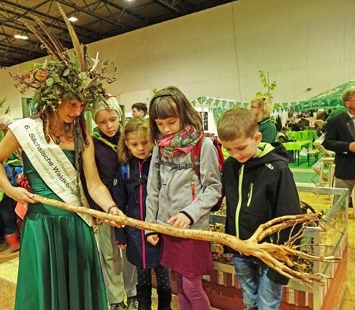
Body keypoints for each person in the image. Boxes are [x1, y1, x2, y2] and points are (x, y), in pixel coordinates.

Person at [0, 7, 123, 309]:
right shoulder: (24, 130)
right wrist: (10, 190)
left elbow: (94, 184)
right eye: (72, 105)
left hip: (76, 222)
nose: (78, 113)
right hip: (42, 224)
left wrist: (111, 207)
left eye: (81, 106)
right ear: (53, 102)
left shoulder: (82, 136)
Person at [217, 108, 302, 310]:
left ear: (257, 138)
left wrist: (284, 257)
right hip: (241, 249)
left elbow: (290, 217)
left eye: (240, 148)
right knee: (249, 301)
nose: (235, 155)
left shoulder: (278, 169)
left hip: (270, 254)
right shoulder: (230, 166)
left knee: (267, 304)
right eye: (228, 149)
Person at [145, 86, 221, 310]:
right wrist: (151, 225)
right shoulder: (160, 146)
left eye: (170, 122)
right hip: (167, 227)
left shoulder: (203, 145)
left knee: (191, 286)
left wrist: (189, 214)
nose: (166, 129)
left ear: (183, 114)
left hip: (191, 228)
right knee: (179, 283)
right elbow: (153, 187)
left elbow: (213, 188)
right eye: (160, 124)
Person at [112, 117, 172, 310]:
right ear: (127, 144)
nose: (141, 148)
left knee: (163, 273)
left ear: (153, 140)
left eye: (145, 142)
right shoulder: (124, 169)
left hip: (160, 228)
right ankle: (143, 306)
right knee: (142, 272)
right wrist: (120, 233)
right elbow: (120, 203)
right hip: (135, 232)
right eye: (135, 144)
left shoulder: (161, 164)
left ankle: (165, 307)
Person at [86, 97, 138, 310]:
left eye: (113, 119)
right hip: (105, 205)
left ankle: (132, 292)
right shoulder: (92, 144)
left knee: (131, 251)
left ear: (119, 117)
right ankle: (115, 298)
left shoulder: (130, 140)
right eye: (102, 122)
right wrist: (95, 208)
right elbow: (88, 177)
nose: (108, 126)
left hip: (130, 205)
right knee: (109, 253)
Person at [323, 88, 355, 208]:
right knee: (340, 207)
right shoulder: (335, 121)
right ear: (348, 103)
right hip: (345, 169)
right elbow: (328, 143)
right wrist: (348, 146)